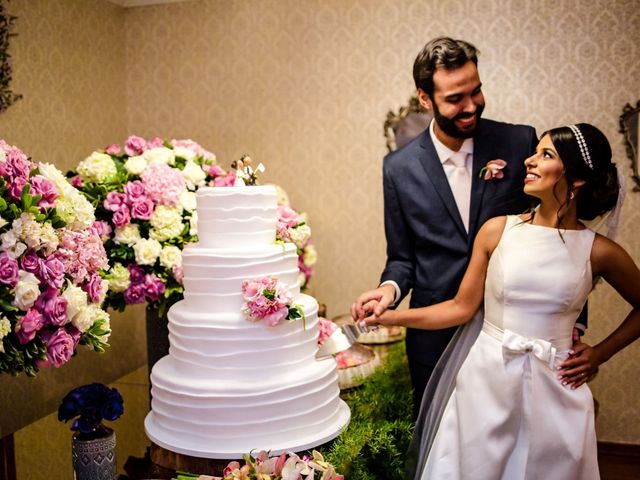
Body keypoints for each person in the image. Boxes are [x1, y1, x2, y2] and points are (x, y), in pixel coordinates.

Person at [360, 123, 640, 479]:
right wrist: (389, 318)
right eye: (535, 152)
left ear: (577, 178)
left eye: (546, 155)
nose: (530, 161)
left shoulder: (600, 251)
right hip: (486, 380)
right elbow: (461, 308)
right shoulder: (497, 230)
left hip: (556, 389)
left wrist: (600, 352)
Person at [351, 36, 558, 415]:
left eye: (476, 91)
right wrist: (388, 289)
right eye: (454, 98)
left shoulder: (518, 142)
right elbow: (402, 257)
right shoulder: (398, 168)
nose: (470, 106)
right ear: (425, 98)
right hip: (435, 337)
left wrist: (573, 322)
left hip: (513, 331)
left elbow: (556, 233)